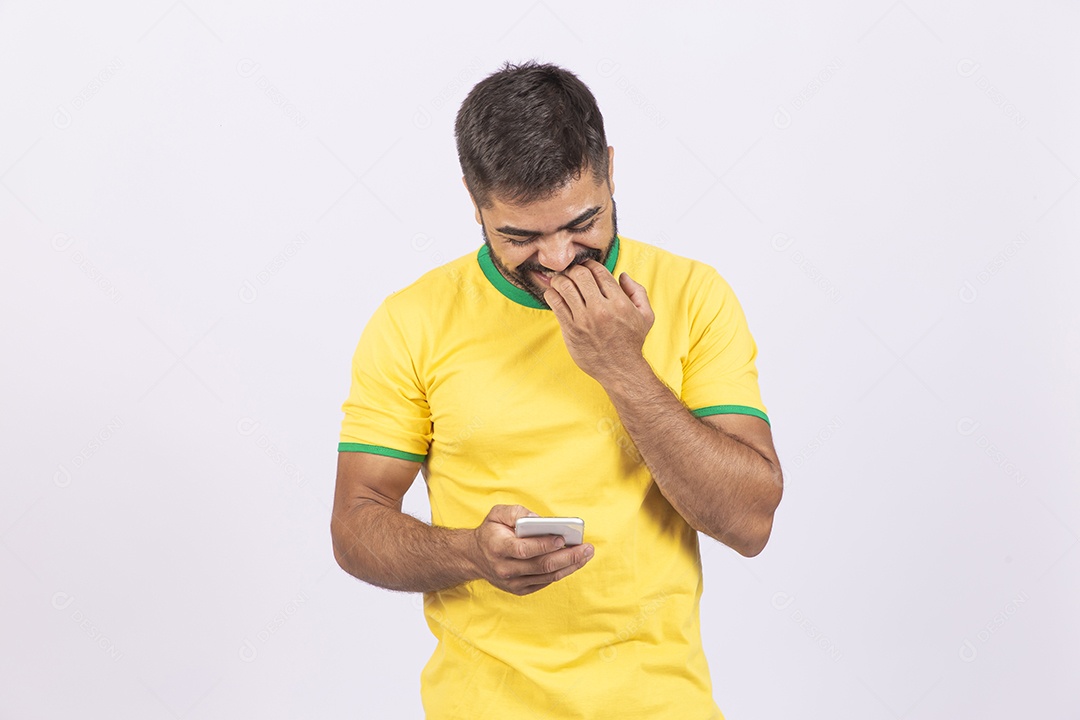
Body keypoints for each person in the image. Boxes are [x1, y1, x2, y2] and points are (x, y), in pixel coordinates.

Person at [331, 60, 783, 720]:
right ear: (474, 202)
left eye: (581, 222)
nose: (558, 258)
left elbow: (750, 522)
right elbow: (354, 526)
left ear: (609, 170)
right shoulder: (412, 321)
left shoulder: (695, 295)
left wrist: (620, 366)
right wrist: (468, 554)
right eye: (521, 235)